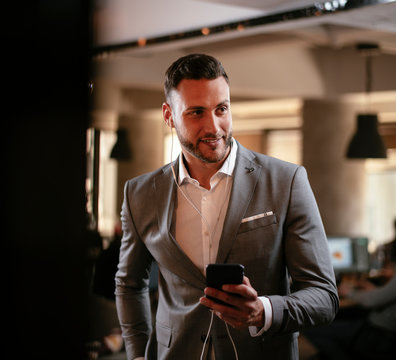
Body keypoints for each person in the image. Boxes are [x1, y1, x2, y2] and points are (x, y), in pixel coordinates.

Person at [114, 54, 339, 360]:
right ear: (169, 115)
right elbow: (129, 283)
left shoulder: (286, 181)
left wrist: (263, 311)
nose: (213, 126)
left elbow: (324, 297)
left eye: (221, 109)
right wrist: (138, 354)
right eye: (196, 112)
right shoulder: (139, 193)